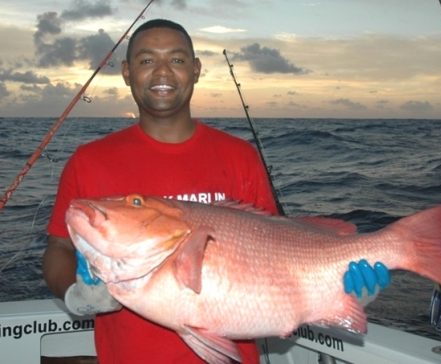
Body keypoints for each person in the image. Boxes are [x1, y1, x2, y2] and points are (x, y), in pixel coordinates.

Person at [42, 19, 389, 364]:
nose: (162, 72)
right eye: (147, 61)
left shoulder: (240, 156)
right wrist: (76, 294)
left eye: (176, 60)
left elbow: (279, 251)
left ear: (195, 70)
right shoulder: (89, 161)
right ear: (127, 72)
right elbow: (59, 246)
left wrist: (342, 293)